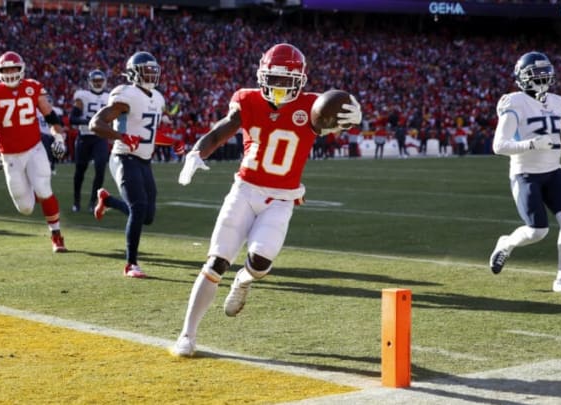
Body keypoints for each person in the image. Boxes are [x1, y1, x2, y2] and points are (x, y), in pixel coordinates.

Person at [170, 43, 362, 357]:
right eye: (274, 78)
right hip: (244, 190)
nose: (279, 87)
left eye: (287, 81)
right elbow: (223, 129)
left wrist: (352, 113)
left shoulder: (313, 106)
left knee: (260, 263)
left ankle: (243, 281)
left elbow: (341, 117)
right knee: (216, 261)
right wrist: (197, 151)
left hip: (282, 199)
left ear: (300, 80)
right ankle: (187, 335)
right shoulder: (247, 99)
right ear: (262, 75)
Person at [489, 51, 561, 296]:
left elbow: (551, 142)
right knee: (537, 231)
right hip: (526, 173)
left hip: (554, 171)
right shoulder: (514, 102)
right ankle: (507, 243)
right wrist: (531, 145)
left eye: (545, 74)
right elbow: (499, 146)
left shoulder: (558, 102)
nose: (542, 80)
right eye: (536, 75)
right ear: (522, 78)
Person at [0, 51, 68, 253]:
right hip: (9, 155)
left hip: (34, 149)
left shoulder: (32, 87)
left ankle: (56, 235)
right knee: (25, 208)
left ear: (21, 69)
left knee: (44, 189)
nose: (10, 73)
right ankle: (36, 190)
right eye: (5, 69)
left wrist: (59, 138)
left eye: (13, 69)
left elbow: (51, 117)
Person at [89, 51, 165, 278]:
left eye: (153, 69)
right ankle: (131, 263)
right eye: (146, 70)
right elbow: (96, 123)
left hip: (144, 161)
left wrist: (175, 143)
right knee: (139, 207)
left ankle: (108, 200)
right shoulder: (126, 94)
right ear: (133, 73)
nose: (151, 73)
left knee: (147, 216)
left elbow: (148, 133)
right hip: (124, 157)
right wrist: (120, 137)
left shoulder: (158, 98)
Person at [70, 69, 110, 213]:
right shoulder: (83, 96)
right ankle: (76, 201)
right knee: (80, 171)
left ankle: (93, 202)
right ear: (90, 82)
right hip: (85, 137)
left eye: (100, 81)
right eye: (95, 81)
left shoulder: (109, 97)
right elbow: (72, 119)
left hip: (100, 137)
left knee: (100, 169)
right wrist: (87, 121)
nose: (98, 83)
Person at [37, 94, 65, 175]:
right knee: (45, 152)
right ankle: (46, 167)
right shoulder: (38, 111)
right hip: (43, 134)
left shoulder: (56, 111)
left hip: (54, 134)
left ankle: (52, 166)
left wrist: (61, 133)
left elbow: (60, 123)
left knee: (53, 152)